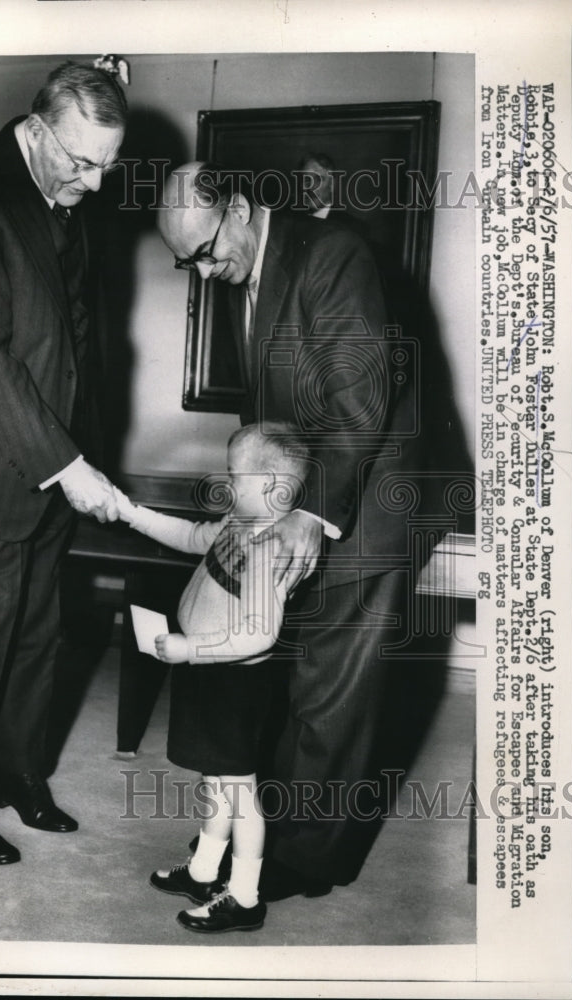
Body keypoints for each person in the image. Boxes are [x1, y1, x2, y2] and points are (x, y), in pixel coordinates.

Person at [156, 161, 466, 900]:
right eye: (186, 261)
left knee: (333, 689)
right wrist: (258, 504)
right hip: (312, 491)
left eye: (205, 250)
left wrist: (307, 512)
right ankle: (256, 837)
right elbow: (276, 415)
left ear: (237, 208)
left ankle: (305, 859)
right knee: (292, 674)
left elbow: (361, 398)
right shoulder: (252, 268)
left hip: (376, 500)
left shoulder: (331, 254)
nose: (202, 270)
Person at [0, 59, 128, 865]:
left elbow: (73, 337)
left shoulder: (64, 187)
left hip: (56, 450)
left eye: (108, 164)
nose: (98, 184)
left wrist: (84, 450)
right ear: (38, 131)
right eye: (82, 162)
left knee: (40, 629)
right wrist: (67, 466)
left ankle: (17, 774)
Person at [114, 422, 311, 933]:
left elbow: (260, 635)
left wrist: (191, 648)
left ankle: (244, 897)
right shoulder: (240, 520)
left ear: (271, 483)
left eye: (235, 474)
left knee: (239, 791)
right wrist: (131, 513)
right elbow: (190, 536)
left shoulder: (271, 548)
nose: (226, 483)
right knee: (215, 779)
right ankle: (204, 870)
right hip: (205, 671)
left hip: (233, 683)